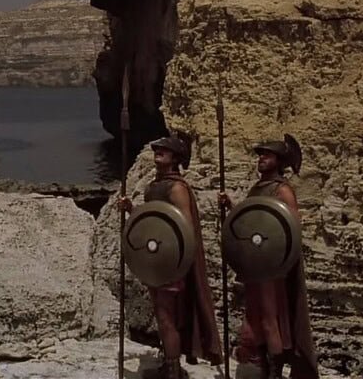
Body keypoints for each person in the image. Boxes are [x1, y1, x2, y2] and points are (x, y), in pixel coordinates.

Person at [118, 134, 222, 377]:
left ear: (176, 157)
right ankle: (169, 363)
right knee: (161, 315)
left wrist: (174, 262)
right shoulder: (154, 186)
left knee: (166, 318)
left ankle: (173, 371)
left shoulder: (176, 188)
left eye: (164, 150)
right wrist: (132, 211)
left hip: (171, 262)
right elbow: (155, 223)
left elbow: (183, 228)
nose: (158, 152)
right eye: (157, 149)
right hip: (157, 260)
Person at [219, 136, 319, 378]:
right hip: (255, 266)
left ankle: (274, 372)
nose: (261, 158)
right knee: (255, 319)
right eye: (261, 154)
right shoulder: (258, 188)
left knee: (269, 320)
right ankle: (263, 369)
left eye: (267, 155)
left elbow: (292, 229)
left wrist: (280, 264)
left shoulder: (282, 190)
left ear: (279, 161)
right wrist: (234, 208)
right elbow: (253, 224)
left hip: (272, 267)